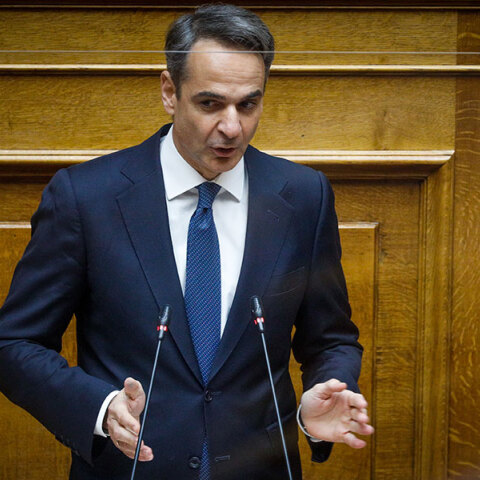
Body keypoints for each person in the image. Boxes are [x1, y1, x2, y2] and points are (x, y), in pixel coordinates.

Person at [0, 4, 373, 480]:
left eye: (248, 104)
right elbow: (14, 342)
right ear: (169, 92)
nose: (232, 127)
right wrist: (100, 407)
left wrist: (323, 396)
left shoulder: (303, 196)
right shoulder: (85, 197)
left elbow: (330, 338)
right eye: (210, 104)